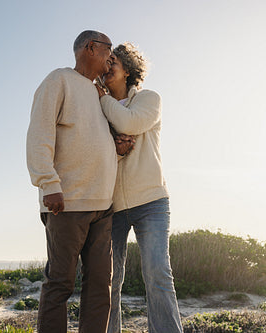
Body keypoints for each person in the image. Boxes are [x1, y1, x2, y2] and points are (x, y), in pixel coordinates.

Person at [26, 30, 118, 333]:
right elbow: (40, 133)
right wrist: (48, 183)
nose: (111, 57)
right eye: (108, 49)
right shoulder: (59, 80)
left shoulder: (99, 92)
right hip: (67, 202)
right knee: (60, 284)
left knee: (100, 286)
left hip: (102, 205)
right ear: (90, 48)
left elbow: (92, 140)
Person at [95, 43, 184, 333]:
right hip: (112, 206)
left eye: (113, 63)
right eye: (105, 63)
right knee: (110, 282)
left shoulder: (149, 99)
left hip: (151, 202)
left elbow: (129, 122)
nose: (107, 67)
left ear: (129, 71)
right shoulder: (98, 109)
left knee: (158, 275)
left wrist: (103, 100)